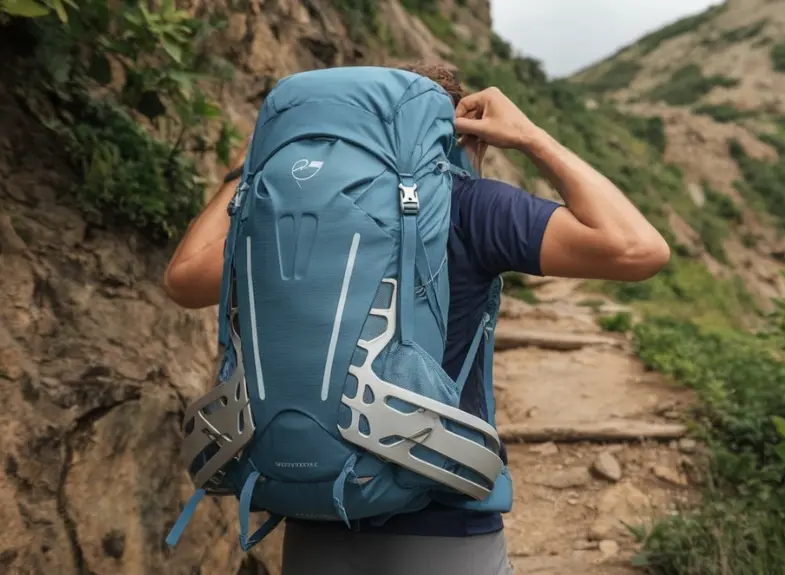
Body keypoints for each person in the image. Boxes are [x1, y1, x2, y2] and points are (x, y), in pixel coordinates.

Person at [163, 63, 670, 575]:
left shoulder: (275, 217)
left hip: (312, 511)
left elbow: (183, 280)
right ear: (459, 133)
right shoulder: (471, 206)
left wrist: (252, 167)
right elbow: (638, 249)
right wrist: (532, 138)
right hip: (445, 524)